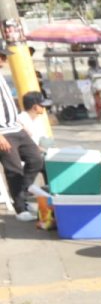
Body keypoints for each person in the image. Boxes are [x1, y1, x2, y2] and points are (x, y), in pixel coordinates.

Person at [0, 46, 42, 221]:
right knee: (13, 169)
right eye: (2, 57)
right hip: (3, 131)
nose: (4, 61)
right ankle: (20, 208)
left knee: (36, 159)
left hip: (15, 127)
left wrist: (19, 124)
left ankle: (23, 195)